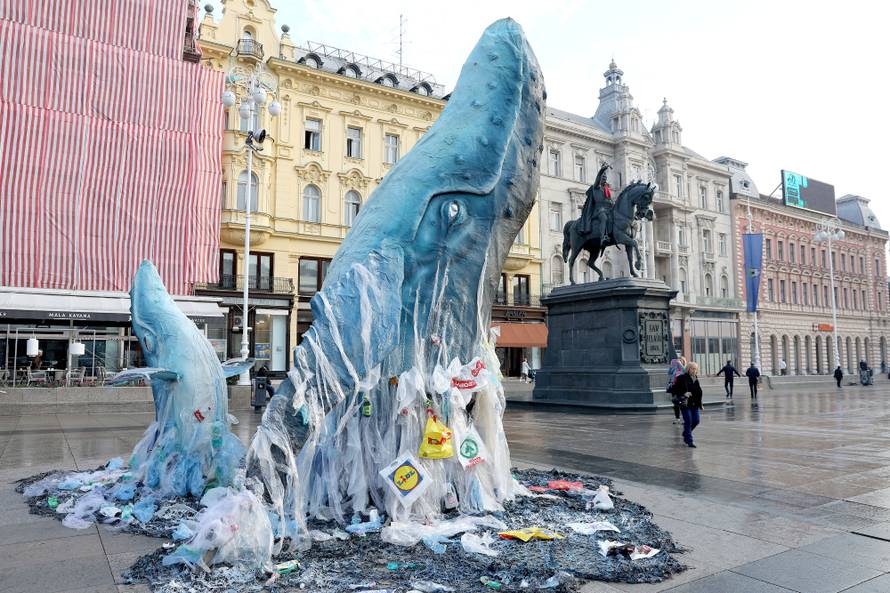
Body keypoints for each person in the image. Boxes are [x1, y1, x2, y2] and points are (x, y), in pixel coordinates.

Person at [670, 361, 703, 448]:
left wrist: (700, 404)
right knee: (688, 421)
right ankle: (689, 440)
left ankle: (685, 433)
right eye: (692, 368)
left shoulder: (696, 379)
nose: (694, 371)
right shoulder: (682, 378)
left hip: (695, 404)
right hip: (685, 404)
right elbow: (674, 389)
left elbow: (699, 392)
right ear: (688, 369)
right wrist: (684, 393)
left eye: (696, 369)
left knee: (696, 420)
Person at [667, 356, 687, 424]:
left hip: (682, 389)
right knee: (675, 404)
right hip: (674, 388)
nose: (678, 362)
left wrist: (680, 364)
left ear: (683, 361)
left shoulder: (685, 368)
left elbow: (685, 372)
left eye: (681, 360)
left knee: (682, 404)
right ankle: (677, 418)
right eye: (678, 360)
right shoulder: (675, 369)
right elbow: (669, 373)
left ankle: (685, 419)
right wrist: (671, 366)